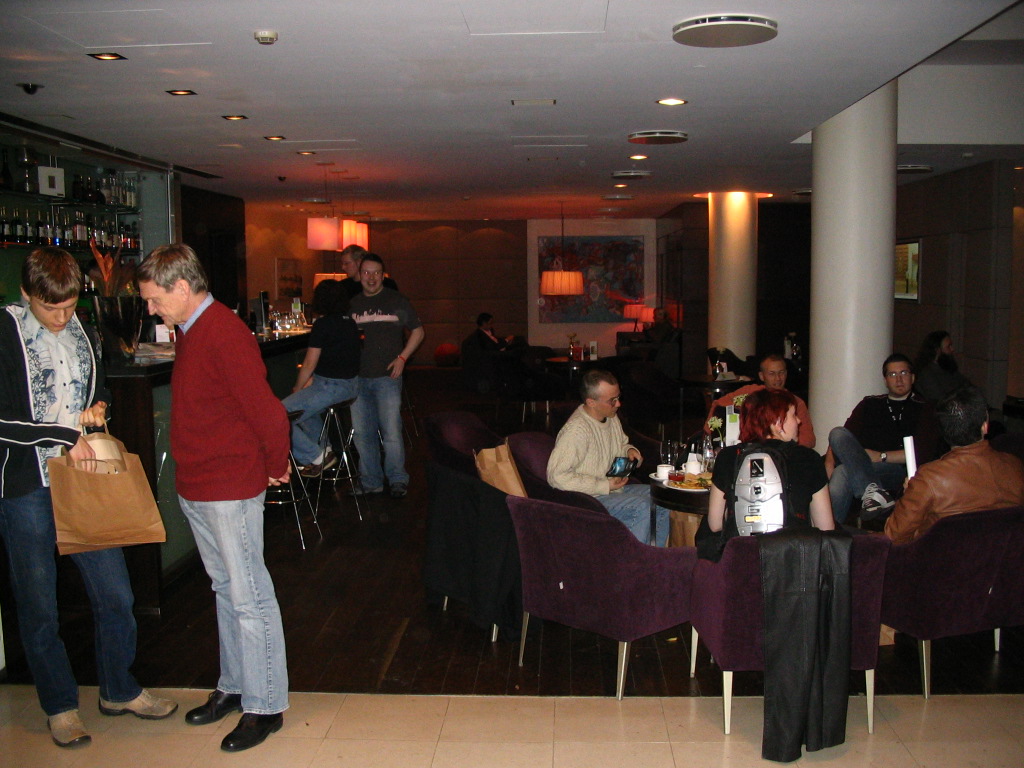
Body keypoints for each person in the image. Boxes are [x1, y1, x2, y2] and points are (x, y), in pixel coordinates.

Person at [0, 247, 177, 749]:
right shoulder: (5, 332)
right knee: (40, 605)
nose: (61, 318)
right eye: (50, 308)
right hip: (26, 487)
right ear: (26, 294)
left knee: (116, 595)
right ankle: (60, 706)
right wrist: (61, 433)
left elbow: (99, 389)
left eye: (69, 307)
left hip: (85, 480)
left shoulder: (83, 328)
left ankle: (119, 689)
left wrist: (99, 407)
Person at [137, 244, 289, 752]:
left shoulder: (223, 331)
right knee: (226, 589)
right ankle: (235, 685)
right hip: (199, 482)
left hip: (229, 484)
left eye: (155, 299)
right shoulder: (191, 330)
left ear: (182, 287)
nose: (151, 309)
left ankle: (265, 705)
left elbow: (266, 411)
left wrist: (275, 465)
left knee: (249, 597)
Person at [884, 386, 1024, 545]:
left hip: (945, 559)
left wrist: (908, 495)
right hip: (1005, 559)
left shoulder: (928, 478)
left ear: (943, 431)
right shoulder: (1015, 467)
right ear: (985, 425)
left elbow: (893, 537)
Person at [547, 369, 670, 545]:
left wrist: (629, 450)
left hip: (611, 490)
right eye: (612, 400)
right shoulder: (576, 431)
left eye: (618, 397)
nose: (618, 404)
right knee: (642, 507)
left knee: (663, 497)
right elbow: (556, 476)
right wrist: (604, 485)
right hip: (588, 499)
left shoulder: (610, 417)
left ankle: (654, 553)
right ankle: (631, 558)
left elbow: (621, 444)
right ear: (591, 402)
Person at [825, 353, 941, 524]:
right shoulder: (870, 404)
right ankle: (873, 492)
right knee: (837, 433)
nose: (899, 379)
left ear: (913, 377)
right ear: (885, 380)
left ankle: (827, 532)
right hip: (863, 465)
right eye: (892, 374)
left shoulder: (926, 407)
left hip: (898, 471)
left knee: (843, 472)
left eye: (904, 373)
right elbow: (843, 439)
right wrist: (829, 463)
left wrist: (881, 456)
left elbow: (921, 452)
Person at [707, 388, 835, 539]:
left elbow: (715, 524)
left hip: (741, 551)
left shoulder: (727, 457)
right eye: (794, 415)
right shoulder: (809, 458)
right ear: (778, 423)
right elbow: (826, 527)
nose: (799, 421)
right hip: (793, 551)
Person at [349, 252, 423, 498]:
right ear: (360, 275)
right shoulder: (352, 304)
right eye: (367, 273)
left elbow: (418, 331)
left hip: (387, 378)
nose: (371, 278)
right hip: (358, 378)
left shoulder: (396, 300)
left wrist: (402, 358)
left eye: (376, 273)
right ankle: (371, 481)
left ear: (383, 276)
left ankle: (397, 479)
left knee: (391, 432)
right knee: (363, 434)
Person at [281, 279, 360, 477]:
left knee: (278, 416)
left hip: (329, 386)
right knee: (305, 411)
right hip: (350, 386)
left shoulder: (323, 325)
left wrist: (297, 387)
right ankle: (325, 451)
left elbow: (309, 362)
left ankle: (315, 456)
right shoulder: (350, 323)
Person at [704, 353, 816, 448]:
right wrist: (708, 437)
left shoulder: (796, 403)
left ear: (786, 374)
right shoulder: (750, 393)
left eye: (781, 373)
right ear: (762, 376)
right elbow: (717, 404)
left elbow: (808, 440)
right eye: (772, 373)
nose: (778, 378)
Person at [913, 330, 970, 403]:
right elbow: (939, 399)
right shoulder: (926, 373)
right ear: (938, 350)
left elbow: (967, 385)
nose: (952, 349)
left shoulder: (948, 367)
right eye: (948, 346)